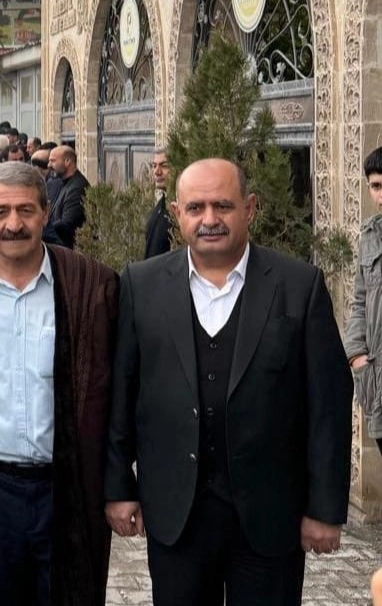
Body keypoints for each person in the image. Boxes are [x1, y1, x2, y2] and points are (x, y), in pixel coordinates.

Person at [105, 158, 353, 605]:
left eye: (223, 205)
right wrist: (119, 487)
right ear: (176, 213)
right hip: (176, 514)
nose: (210, 219)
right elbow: (122, 394)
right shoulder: (141, 285)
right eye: (195, 208)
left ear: (250, 208)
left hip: (269, 515)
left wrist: (325, 508)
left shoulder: (299, 285)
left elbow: (328, 406)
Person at [0, 162, 117, 605]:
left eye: (25, 210)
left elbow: (114, 394)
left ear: (46, 212)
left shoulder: (90, 285)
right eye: (1, 212)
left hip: (65, 489)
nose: (13, 224)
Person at [345, 146, 382, 455]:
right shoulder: (369, 236)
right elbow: (359, 300)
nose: (381, 195)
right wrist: (357, 354)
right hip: (376, 377)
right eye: (376, 186)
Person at [47, 145, 90, 249]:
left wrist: (42, 228)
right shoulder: (62, 183)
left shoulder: (77, 187)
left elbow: (67, 223)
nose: (49, 165)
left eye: (53, 161)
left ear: (67, 161)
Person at [143, 150, 173, 258]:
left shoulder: (181, 209)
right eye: (154, 166)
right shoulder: (161, 206)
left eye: (164, 166)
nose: (157, 171)